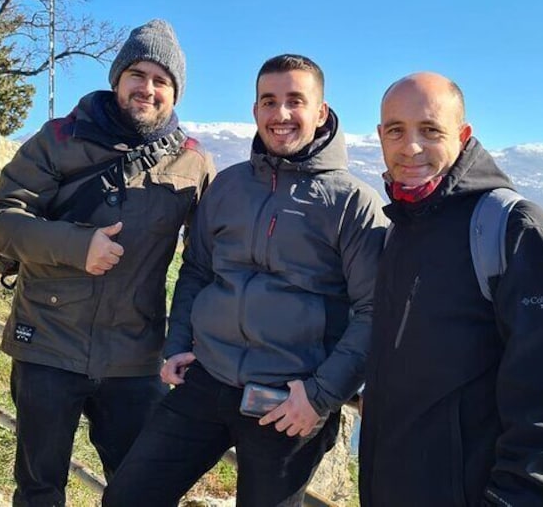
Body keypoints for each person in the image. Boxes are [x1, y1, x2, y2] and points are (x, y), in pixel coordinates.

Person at [102, 54, 387, 506]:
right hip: (206, 380)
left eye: (296, 101)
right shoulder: (228, 186)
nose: (281, 114)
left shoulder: (354, 204)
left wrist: (320, 396)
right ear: (255, 111)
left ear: (321, 112)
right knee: (127, 497)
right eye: (269, 101)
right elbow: (197, 268)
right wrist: (178, 343)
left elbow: (375, 313)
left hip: (289, 402)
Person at [0, 19, 215, 506]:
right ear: (117, 78)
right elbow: (0, 218)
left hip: (135, 357)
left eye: (161, 81)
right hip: (46, 343)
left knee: (138, 491)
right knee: (39, 488)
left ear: (175, 93)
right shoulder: (60, 138)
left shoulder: (194, 163)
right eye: (138, 75)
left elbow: (209, 260)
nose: (147, 89)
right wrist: (75, 246)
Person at [358, 72, 543, 506]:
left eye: (430, 130)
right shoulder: (402, 228)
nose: (410, 146)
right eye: (396, 130)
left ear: (463, 134)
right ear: (380, 137)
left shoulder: (511, 227)